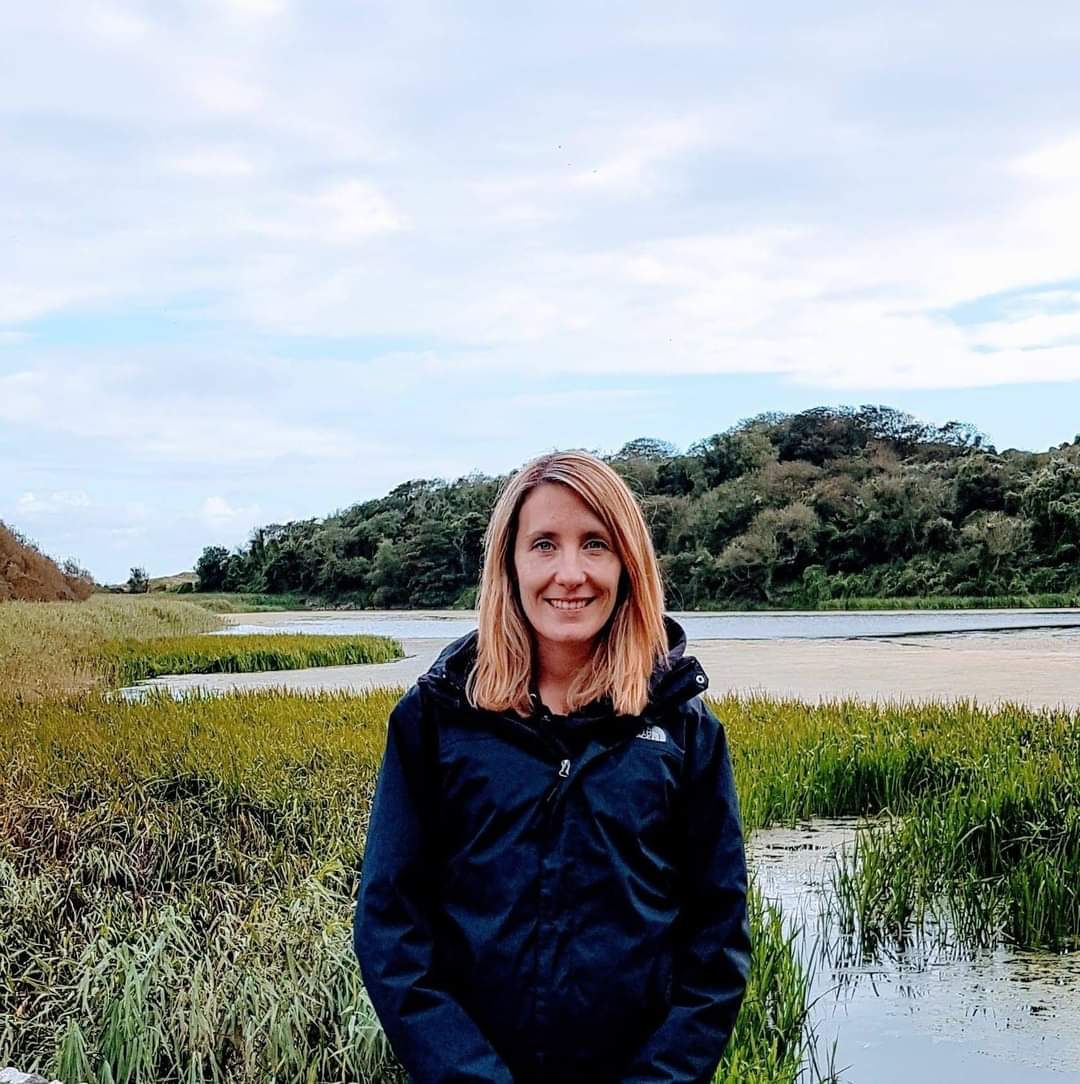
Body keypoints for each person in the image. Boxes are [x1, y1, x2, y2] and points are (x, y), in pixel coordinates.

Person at [354, 450, 750, 1083]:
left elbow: (717, 947)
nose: (571, 573)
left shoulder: (685, 729)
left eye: (595, 544)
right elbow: (391, 931)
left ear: (627, 565)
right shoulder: (432, 720)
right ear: (509, 565)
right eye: (544, 545)